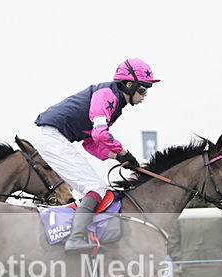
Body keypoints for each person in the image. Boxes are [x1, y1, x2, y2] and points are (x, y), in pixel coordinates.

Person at [34, 58, 160, 253]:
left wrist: (118, 158)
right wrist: (124, 152)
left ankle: (78, 234)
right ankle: (75, 238)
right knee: (95, 187)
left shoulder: (115, 102)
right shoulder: (107, 95)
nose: (144, 95)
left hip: (55, 137)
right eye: (143, 89)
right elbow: (100, 134)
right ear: (129, 85)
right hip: (52, 136)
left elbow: (90, 142)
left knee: (96, 187)